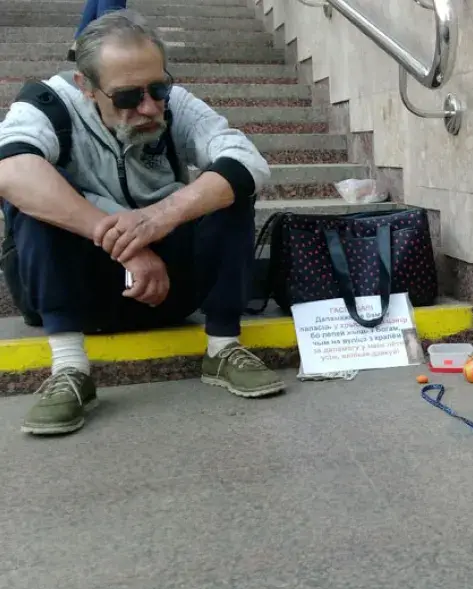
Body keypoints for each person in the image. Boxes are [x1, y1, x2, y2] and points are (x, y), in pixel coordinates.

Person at [0, 10, 285, 436]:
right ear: (86, 88)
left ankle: (223, 347)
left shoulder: (176, 104)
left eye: (158, 88)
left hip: (169, 289)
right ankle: (69, 369)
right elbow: (11, 171)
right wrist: (126, 242)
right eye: (128, 98)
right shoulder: (46, 104)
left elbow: (247, 161)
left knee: (228, 183)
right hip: (77, 292)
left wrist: (157, 219)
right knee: (35, 192)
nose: (150, 107)